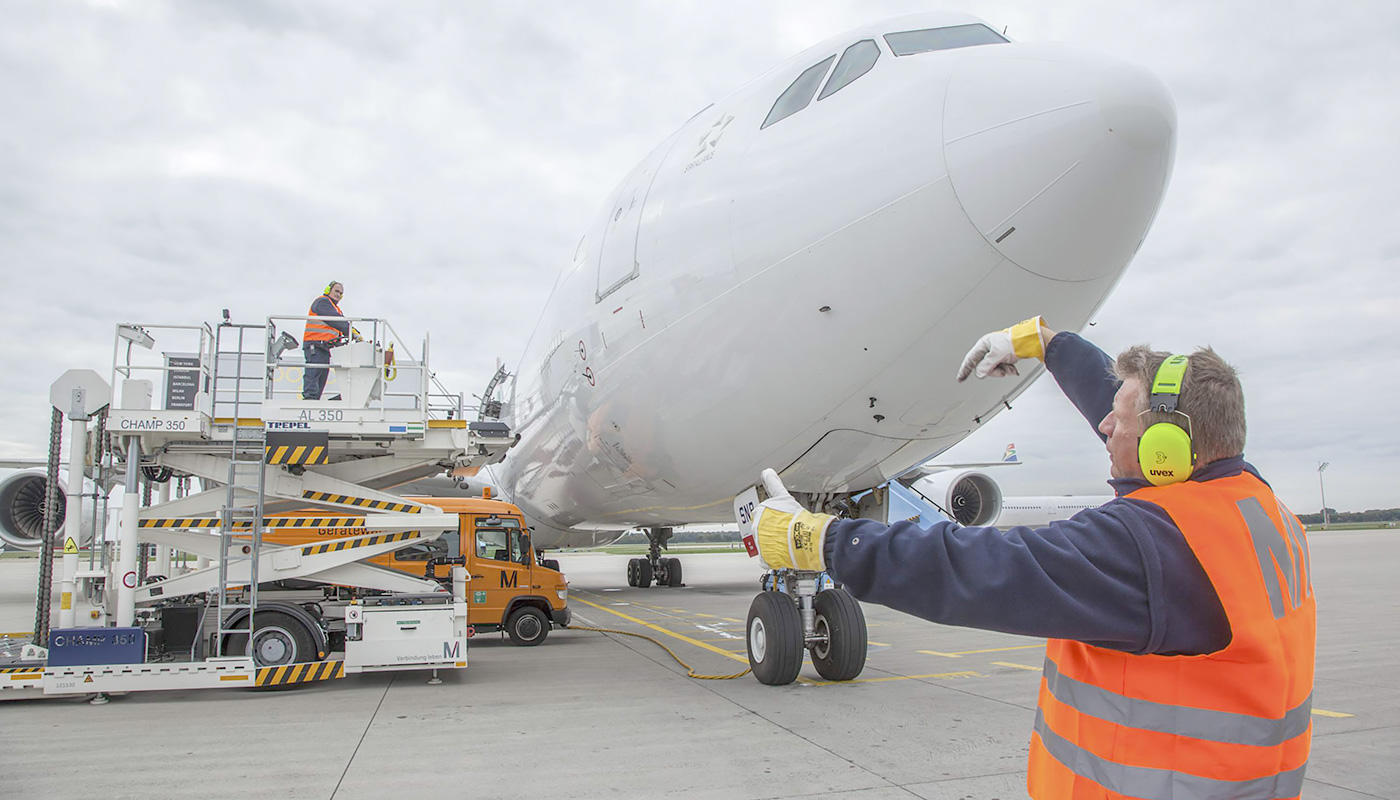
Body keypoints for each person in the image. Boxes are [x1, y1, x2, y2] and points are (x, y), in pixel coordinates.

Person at [747, 315, 1315, 799]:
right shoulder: (1253, 503)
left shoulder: (1149, 549)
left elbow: (972, 567)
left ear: (1165, 450)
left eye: (1121, 418)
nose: (1105, 425)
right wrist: (1047, 342)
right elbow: (1119, 407)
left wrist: (819, 540)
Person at [302, 281, 350, 400]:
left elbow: (339, 326)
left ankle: (315, 400)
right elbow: (337, 321)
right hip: (315, 345)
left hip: (324, 348)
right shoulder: (322, 302)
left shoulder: (336, 309)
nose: (338, 295)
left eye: (341, 293)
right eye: (336, 291)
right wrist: (350, 330)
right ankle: (309, 400)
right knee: (313, 376)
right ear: (328, 290)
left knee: (320, 380)